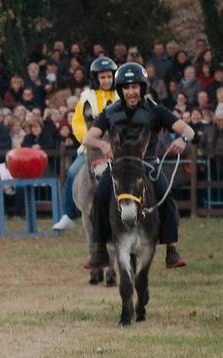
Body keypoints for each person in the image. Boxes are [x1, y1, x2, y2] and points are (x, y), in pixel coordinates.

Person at [83, 62, 193, 269]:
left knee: (166, 196)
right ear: (120, 90)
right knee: (99, 196)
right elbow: (88, 139)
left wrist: (183, 140)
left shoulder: (156, 110)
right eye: (126, 87)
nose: (131, 92)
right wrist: (102, 143)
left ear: (142, 88)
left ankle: (171, 248)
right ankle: (99, 250)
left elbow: (188, 130)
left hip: (148, 165)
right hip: (119, 166)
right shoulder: (110, 111)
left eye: (135, 87)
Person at [54, 57, 118, 230]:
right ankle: (69, 214)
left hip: (117, 146)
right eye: (102, 77)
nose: (106, 80)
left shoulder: (120, 95)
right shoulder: (87, 97)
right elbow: (77, 122)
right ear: (96, 78)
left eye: (109, 77)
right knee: (73, 171)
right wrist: (89, 140)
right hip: (92, 146)